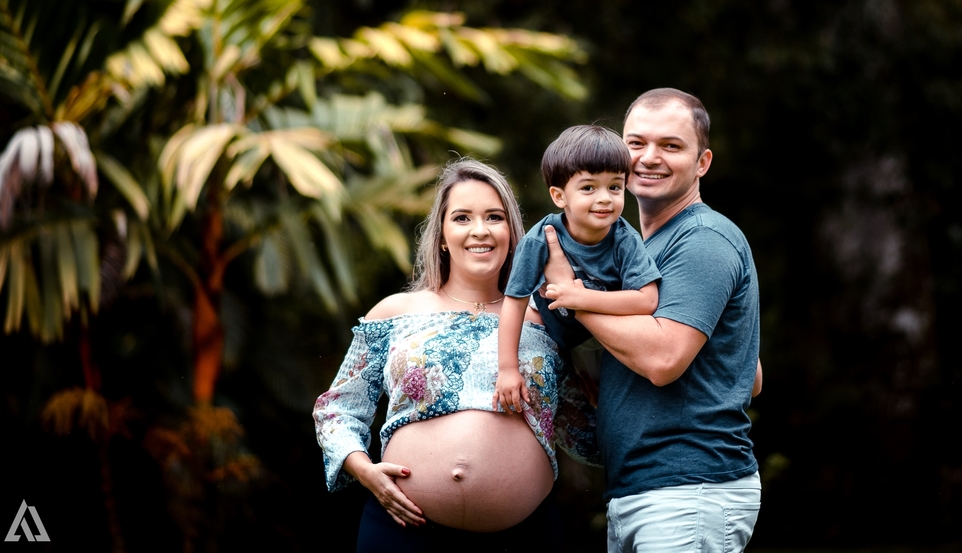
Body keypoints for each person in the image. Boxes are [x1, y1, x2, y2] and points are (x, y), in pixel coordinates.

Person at [312, 159, 594, 552]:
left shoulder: (548, 316)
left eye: (494, 217)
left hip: (524, 534)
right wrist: (364, 470)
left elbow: (587, 428)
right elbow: (336, 410)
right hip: (401, 530)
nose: (480, 230)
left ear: (513, 233)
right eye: (462, 218)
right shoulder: (394, 312)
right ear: (442, 235)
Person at [540, 88, 763, 553]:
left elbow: (663, 359)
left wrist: (573, 296)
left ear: (702, 162)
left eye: (671, 146)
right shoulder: (641, 254)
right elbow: (751, 374)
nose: (648, 158)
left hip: (688, 489)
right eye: (636, 143)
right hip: (649, 489)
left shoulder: (702, 239)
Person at [494, 125, 661, 413]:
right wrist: (507, 368)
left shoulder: (625, 239)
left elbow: (647, 300)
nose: (605, 198)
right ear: (560, 197)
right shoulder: (541, 238)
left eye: (615, 186)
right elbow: (515, 301)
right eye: (588, 188)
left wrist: (581, 299)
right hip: (550, 332)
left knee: (601, 406)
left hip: (603, 340)